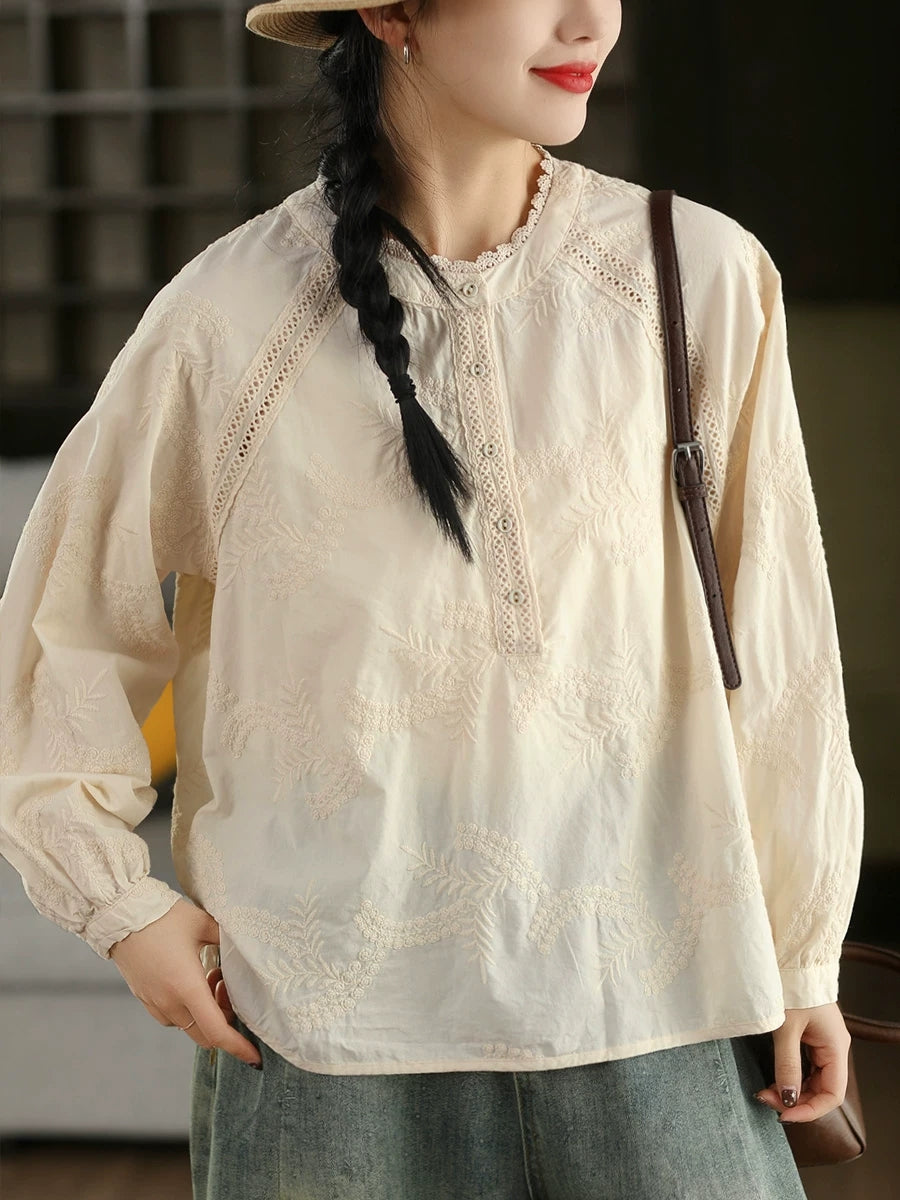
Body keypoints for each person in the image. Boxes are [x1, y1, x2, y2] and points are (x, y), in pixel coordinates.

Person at [0, 2, 864, 1197]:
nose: (590, 21)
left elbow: (781, 648)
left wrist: (805, 952)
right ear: (393, 12)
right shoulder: (229, 318)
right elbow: (67, 627)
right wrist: (116, 903)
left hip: (657, 999)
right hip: (322, 1034)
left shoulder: (696, 275)